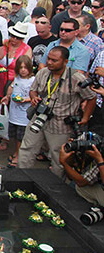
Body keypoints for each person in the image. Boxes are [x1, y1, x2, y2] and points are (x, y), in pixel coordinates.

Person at [18, 46, 96, 178]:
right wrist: (34, 97)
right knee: (27, 149)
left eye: (54, 60)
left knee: (58, 156)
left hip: (61, 124)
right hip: (39, 118)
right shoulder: (43, 73)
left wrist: (86, 117)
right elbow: (33, 89)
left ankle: (55, 187)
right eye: (48, 59)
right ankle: (20, 179)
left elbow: (92, 97)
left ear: (65, 61)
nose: (49, 62)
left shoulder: (76, 78)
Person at [0, 55, 35, 168]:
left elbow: (37, 96)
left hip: (24, 115)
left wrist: (26, 99)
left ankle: (19, 155)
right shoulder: (16, 78)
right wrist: (7, 97)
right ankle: (17, 152)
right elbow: (11, 87)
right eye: (20, 68)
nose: (23, 70)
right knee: (14, 135)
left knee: (22, 136)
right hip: (14, 113)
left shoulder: (33, 80)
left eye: (25, 67)